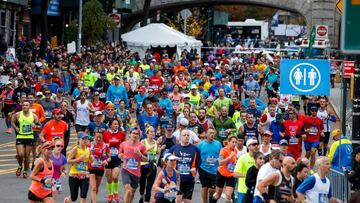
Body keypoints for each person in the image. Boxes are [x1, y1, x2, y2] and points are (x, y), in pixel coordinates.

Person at [168, 129, 200, 203]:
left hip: (189, 179)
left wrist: (195, 169)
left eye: (188, 135)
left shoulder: (195, 149)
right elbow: (166, 159)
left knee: (187, 201)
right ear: (180, 137)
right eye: (184, 135)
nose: (186, 137)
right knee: (176, 200)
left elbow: (199, 161)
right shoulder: (174, 148)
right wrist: (172, 170)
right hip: (176, 179)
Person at [11, 101, 41, 178]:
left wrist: (35, 126)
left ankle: (25, 170)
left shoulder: (33, 116)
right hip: (20, 136)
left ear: (29, 107)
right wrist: (15, 127)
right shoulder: (18, 114)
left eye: (26, 105)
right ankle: (20, 166)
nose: (24, 106)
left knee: (27, 155)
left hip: (29, 137)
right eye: (23, 105)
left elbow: (39, 125)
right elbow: (12, 121)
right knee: (20, 154)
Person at [119, 127, 147, 203]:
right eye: (133, 133)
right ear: (129, 134)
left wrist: (140, 154)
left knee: (132, 192)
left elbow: (146, 159)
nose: (135, 135)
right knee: (128, 189)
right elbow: (120, 153)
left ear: (139, 136)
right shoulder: (124, 144)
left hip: (136, 173)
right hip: (126, 170)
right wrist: (121, 155)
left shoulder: (141, 146)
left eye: (137, 134)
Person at [64, 133, 93, 203]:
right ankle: (66, 200)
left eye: (86, 139)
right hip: (74, 176)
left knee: (83, 196)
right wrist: (78, 159)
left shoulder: (88, 150)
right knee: (73, 197)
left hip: (85, 176)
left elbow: (91, 161)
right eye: (83, 139)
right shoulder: (75, 149)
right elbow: (68, 160)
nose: (85, 140)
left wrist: (92, 158)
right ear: (79, 140)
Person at [103, 119, 126, 202]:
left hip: (117, 158)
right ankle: (110, 194)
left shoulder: (121, 133)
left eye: (117, 124)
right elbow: (103, 144)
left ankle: (115, 193)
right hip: (108, 158)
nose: (116, 126)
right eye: (115, 124)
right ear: (111, 125)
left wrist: (122, 152)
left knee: (115, 176)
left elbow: (124, 143)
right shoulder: (106, 133)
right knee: (109, 177)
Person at [196, 128, 222, 203]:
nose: (212, 134)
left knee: (213, 189)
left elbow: (221, 155)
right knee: (204, 188)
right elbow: (197, 157)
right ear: (206, 134)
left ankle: (211, 196)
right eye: (210, 133)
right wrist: (196, 168)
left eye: (213, 133)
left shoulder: (218, 143)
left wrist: (220, 160)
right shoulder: (200, 145)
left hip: (214, 170)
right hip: (203, 168)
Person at [211, 135, 238, 203]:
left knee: (228, 196)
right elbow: (220, 162)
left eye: (235, 142)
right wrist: (229, 157)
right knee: (218, 195)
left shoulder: (235, 151)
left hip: (230, 175)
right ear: (228, 142)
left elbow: (233, 162)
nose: (234, 144)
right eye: (233, 142)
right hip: (221, 174)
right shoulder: (223, 150)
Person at [139, 125, 161, 203]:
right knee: (142, 184)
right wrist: (152, 146)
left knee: (149, 186)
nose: (153, 133)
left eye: (153, 132)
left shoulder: (156, 142)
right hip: (143, 165)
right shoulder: (143, 141)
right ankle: (142, 195)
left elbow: (158, 152)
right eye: (151, 132)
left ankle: (147, 201)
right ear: (147, 133)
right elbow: (142, 151)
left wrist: (159, 146)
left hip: (153, 165)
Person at [234, 138, 259, 203]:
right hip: (243, 190)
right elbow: (235, 174)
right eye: (254, 144)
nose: (256, 146)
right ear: (248, 146)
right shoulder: (242, 158)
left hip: (256, 190)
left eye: (257, 144)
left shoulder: (260, 158)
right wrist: (246, 175)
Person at [88, 129, 110, 203]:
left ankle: (92, 200)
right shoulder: (90, 144)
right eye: (97, 137)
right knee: (93, 187)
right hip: (91, 168)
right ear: (94, 136)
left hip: (100, 169)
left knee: (96, 188)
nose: (98, 139)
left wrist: (106, 160)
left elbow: (109, 157)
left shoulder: (104, 146)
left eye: (100, 137)